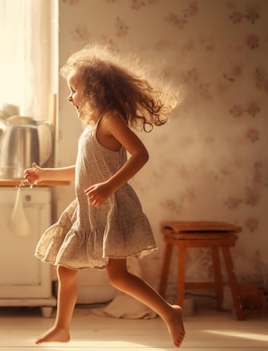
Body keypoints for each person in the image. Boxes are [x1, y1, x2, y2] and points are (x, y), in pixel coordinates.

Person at [24, 44, 185, 347]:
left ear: (94, 89)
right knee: (65, 267)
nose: (70, 96)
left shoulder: (111, 120)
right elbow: (81, 169)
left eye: (74, 90)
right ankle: (62, 328)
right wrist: (45, 175)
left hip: (111, 209)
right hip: (88, 211)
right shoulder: (91, 127)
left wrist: (110, 186)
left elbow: (140, 155)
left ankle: (169, 311)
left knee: (118, 276)